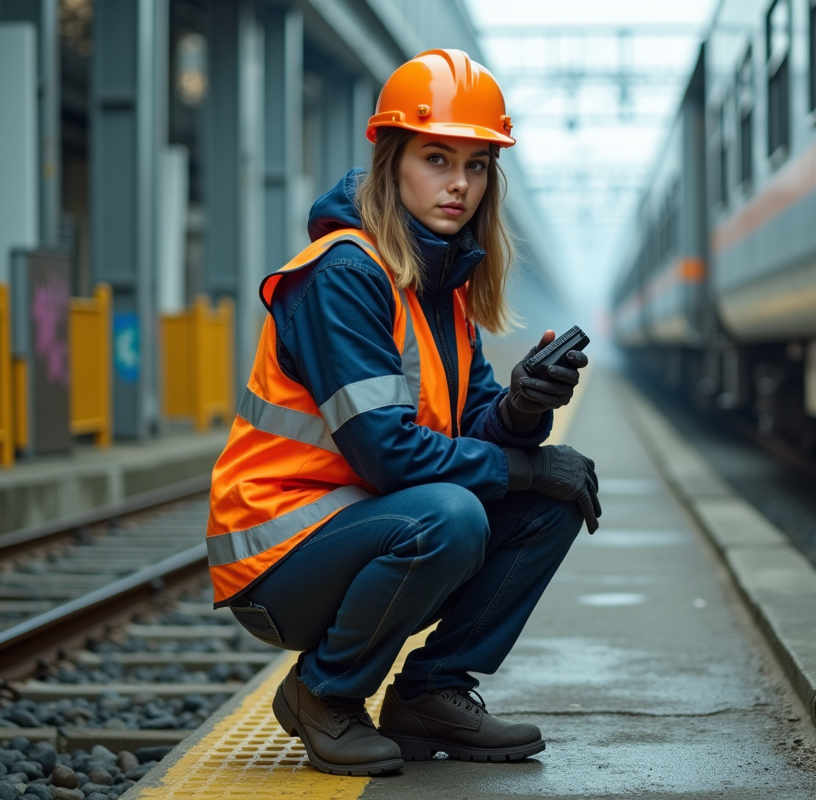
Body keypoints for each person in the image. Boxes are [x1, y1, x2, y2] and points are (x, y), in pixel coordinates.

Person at [204, 49, 600, 777]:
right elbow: (386, 454)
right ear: (392, 161)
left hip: (362, 526)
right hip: (280, 553)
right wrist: (523, 462)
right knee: (453, 513)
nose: (459, 184)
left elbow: (473, 431)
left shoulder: (441, 286)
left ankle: (431, 694)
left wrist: (520, 409)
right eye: (437, 158)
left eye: (477, 165)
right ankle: (322, 694)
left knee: (554, 500)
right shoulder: (344, 275)